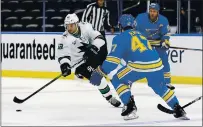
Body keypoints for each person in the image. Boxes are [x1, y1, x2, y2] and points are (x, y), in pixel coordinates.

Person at [89, 14, 189, 120]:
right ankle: (178, 108)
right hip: (157, 64)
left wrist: (100, 72)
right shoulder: (141, 34)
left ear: (120, 26)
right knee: (160, 87)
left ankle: (130, 107)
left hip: (139, 65)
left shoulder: (119, 38)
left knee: (118, 79)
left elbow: (112, 61)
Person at [57, 13, 121, 107]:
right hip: (81, 64)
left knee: (111, 72)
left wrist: (94, 47)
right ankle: (109, 97)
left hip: (93, 55)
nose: (69, 28)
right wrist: (65, 65)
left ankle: (125, 94)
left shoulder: (86, 27)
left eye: (71, 25)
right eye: (67, 26)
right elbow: (63, 55)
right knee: (99, 80)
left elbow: (99, 38)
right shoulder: (65, 39)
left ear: (77, 24)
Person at [135, 3, 175, 90]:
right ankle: (127, 81)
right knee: (135, 62)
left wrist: (165, 41)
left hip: (158, 43)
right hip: (143, 44)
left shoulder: (163, 20)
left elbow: (166, 33)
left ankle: (167, 82)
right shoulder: (140, 18)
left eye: (154, 11)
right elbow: (134, 31)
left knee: (164, 61)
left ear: (158, 12)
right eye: (151, 11)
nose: (152, 13)